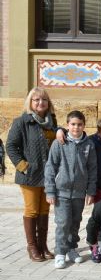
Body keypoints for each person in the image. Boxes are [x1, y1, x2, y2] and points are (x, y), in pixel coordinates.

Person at [6, 88, 59, 262]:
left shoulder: (52, 122)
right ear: (30, 102)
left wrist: (61, 131)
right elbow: (11, 146)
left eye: (43, 99)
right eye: (36, 99)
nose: (40, 102)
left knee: (45, 210)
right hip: (30, 174)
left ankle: (43, 246)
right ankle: (32, 247)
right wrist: (24, 166)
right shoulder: (22, 122)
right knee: (32, 210)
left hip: (49, 175)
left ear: (48, 103)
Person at [44, 110, 96, 269]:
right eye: (73, 124)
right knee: (63, 222)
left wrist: (91, 190)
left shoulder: (89, 144)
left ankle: (71, 249)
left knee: (75, 222)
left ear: (84, 125)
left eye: (79, 124)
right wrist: (50, 190)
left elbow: (93, 169)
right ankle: (60, 252)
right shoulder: (59, 143)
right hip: (62, 192)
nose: (76, 127)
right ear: (67, 125)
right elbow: (51, 167)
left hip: (80, 193)